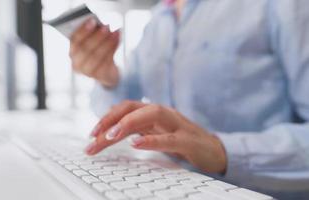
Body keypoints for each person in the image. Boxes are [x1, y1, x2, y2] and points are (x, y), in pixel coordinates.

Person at [69, 0, 309, 199]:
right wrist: (107, 77)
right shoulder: (157, 19)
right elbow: (124, 100)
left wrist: (222, 151)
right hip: (167, 186)